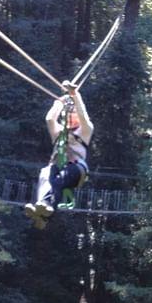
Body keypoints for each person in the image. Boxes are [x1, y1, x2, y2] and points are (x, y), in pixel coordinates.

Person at [25, 80, 94, 229]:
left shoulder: (85, 130)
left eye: (74, 115)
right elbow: (50, 119)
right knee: (45, 174)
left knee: (58, 180)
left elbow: (83, 116)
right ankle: (42, 212)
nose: (72, 117)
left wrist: (75, 95)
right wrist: (58, 103)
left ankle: (46, 207)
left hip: (77, 168)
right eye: (69, 115)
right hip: (57, 167)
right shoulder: (58, 133)